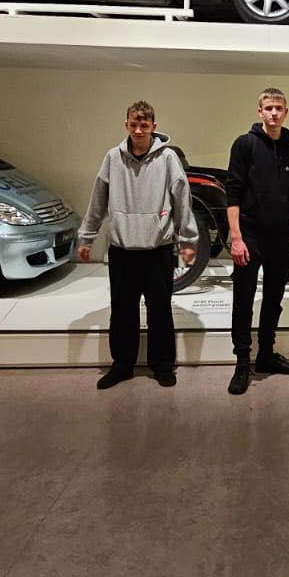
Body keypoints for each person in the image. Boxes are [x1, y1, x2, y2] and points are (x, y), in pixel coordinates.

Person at [77, 100, 198, 390]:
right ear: (126, 125)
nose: (139, 130)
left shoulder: (168, 158)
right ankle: (122, 365)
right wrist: (87, 236)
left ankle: (163, 366)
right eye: (134, 125)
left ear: (154, 126)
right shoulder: (112, 158)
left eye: (144, 125)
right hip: (122, 251)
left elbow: (182, 198)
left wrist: (188, 240)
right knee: (122, 311)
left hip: (157, 250)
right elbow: (98, 199)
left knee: (160, 311)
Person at [224, 87, 289, 395]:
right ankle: (242, 362)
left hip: (281, 237)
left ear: (286, 112)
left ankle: (266, 355)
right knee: (243, 300)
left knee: (274, 299)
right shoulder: (244, 144)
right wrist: (236, 237)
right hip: (250, 235)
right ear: (260, 111)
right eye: (268, 108)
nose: (273, 113)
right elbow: (233, 191)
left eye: (278, 108)